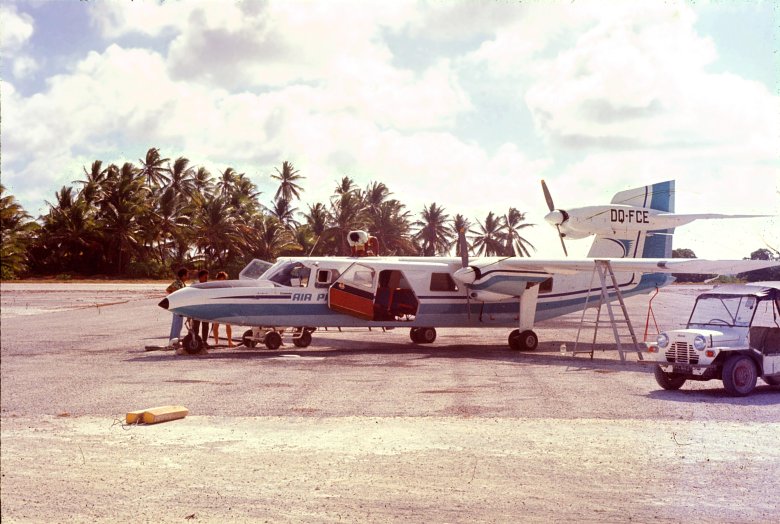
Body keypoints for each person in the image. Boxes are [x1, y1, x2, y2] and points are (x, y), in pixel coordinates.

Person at [166, 267, 188, 346]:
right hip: (177, 306)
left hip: (180, 306)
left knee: (178, 324)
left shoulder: (182, 283)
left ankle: (174, 340)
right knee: (176, 323)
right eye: (186, 275)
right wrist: (174, 297)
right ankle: (174, 341)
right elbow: (168, 289)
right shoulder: (177, 283)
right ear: (182, 276)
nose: (187, 277)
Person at [212, 271, 234, 347]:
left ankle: (230, 342)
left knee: (228, 325)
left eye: (222, 279)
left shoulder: (229, 286)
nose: (221, 280)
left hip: (226, 306)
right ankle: (216, 342)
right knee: (215, 326)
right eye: (219, 279)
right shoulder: (215, 286)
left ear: (225, 278)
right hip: (218, 306)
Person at [191, 269, 210, 347]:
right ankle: (195, 340)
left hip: (205, 309)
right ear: (200, 277)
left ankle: (204, 341)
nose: (206, 279)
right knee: (196, 326)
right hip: (197, 309)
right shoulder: (194, 286)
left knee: (205, 326)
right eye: (205, 277)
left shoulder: (208, 286)